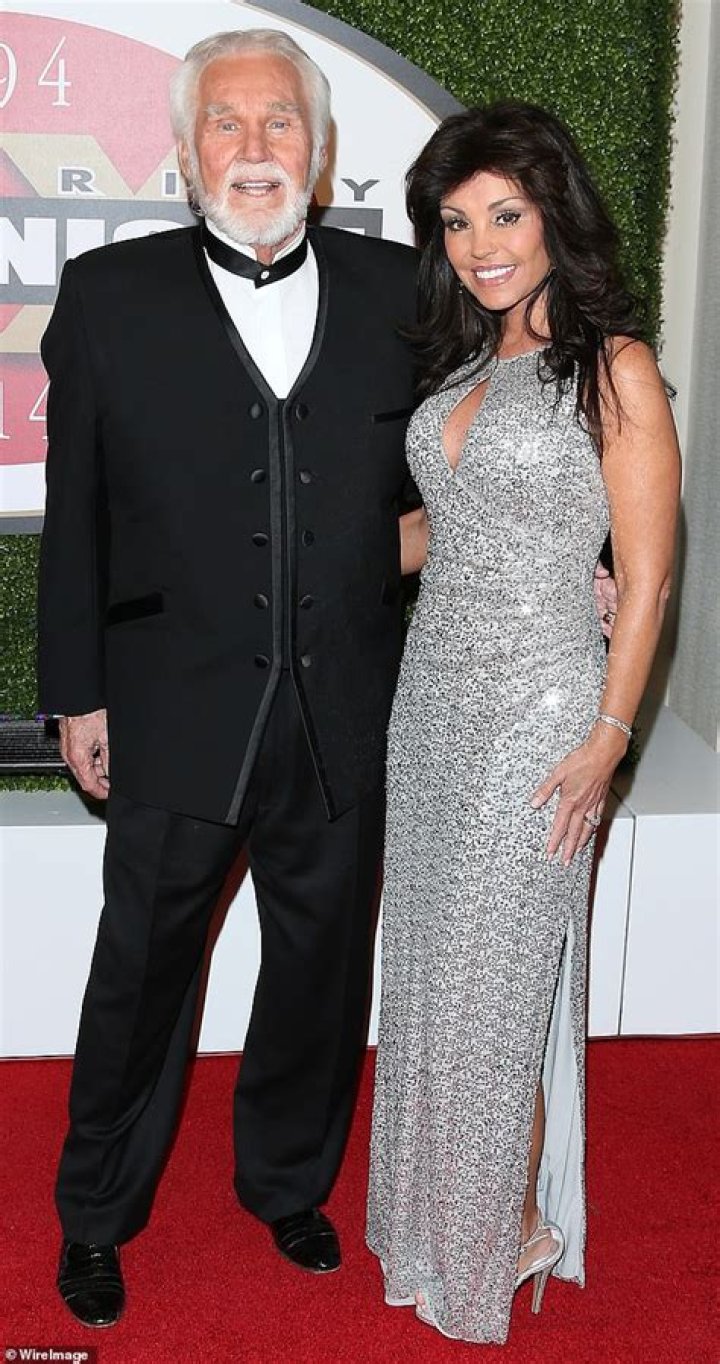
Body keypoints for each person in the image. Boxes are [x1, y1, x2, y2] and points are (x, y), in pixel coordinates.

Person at [37, 28, 421, 1328]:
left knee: (321, 968)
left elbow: (482, 456)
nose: (254, 147)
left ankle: (288, 1184)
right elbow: (77, 513)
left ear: (319, 150)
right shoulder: (109, 295)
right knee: (141, 974)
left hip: (346, 705)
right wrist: (78, 691)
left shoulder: (401, 291)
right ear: (186, 149)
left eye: (280, 123)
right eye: (227, 123)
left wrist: (583, 556)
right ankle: (96, 1215)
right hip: (173, 702)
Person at [366, 101, 680, 1345]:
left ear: (555, 215)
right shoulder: (463, 368)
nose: (483, 245)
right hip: (432, 703)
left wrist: (609, 735)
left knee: (498, 986)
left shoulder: (616, 368)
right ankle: (447, 1220)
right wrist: (294, 552)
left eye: (505, 214)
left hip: (546, 712)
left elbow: (646, 575)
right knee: (431, 975)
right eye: (457, 222)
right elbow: (437, 534)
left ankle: (512, 1225)